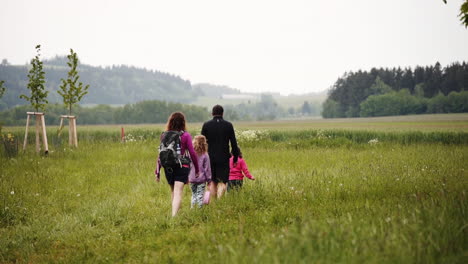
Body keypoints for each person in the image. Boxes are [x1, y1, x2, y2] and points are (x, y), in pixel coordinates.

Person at [155, 112, 199, 217]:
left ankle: (176, 214)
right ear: (183, 122)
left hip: (168, 167)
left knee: (173, 191)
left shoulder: (164, 135)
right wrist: (197, 169)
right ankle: (174, 216)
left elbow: (161, 153)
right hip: (181, 166)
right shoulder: (186, 135)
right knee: (178, 191)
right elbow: (192, 153)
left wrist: (157, 171)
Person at [201, 105, 239, 200]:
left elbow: (201, 143)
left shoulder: (206, 125)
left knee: (213, 181)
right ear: (223, 113)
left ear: (212, 113)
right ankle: (220, 200)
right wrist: (235, 158)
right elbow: (234, 143)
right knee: (223, 181)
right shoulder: (228, 125)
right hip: (224, 157)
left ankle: (215, 202)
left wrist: (202, 158)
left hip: (210, 157)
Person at [188, 135, 212, 208]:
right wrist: (209, 180)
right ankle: (199, 210)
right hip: (201, 179)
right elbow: (207, 169)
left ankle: (192, 208)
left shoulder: (190, 154)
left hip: (191, 178)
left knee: (193, 194)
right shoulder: (205, 155)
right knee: (200, 195)